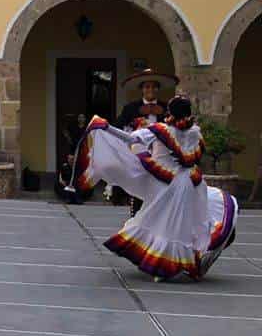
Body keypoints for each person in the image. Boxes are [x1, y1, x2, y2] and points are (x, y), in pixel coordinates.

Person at [70, 97, 238, 280]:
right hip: (191, 185)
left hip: (166, 183)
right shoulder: (195, 133)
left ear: (170, 113)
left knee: (163, 223)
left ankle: (163, 266)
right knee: (181, 225)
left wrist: (106, 127)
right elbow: (194, 158)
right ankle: (181, 263)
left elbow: (131, 138)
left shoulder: (161, 130)